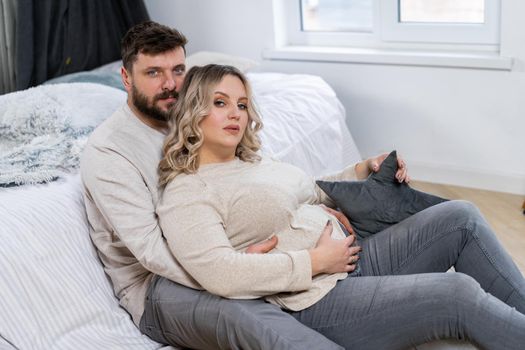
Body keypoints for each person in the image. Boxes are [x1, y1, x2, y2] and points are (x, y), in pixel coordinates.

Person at [157, 63, 525, 350]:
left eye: (241, 104)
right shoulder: (188, 191)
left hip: (354, 259)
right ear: (194, 110)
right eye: (220, 103)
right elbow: (219, 273)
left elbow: (314, 194)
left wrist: (362, 169)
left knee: (461, 217)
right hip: (315, 298)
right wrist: (315, 262)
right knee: (455, 294)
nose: (236, 114)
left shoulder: (253, 161)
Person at [81, 20, 391, 350]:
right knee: (249, 319)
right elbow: (150, 251)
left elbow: (267, 183)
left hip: (227, 252)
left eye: (178, 70)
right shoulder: (109, 151)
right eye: (153, 73)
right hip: (158, 287)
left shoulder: (194, 117)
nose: (170, 84)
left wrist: (345, 181)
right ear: (127, 78)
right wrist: (234, 270)